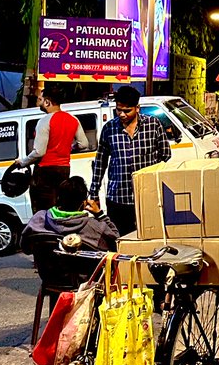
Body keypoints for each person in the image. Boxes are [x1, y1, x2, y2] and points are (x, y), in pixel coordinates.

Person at [88, 85, 171, 236]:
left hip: (148, 196)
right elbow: (100, 162)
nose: (122, 114)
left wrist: (150, 174)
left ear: (137, 108)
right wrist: (94, 193)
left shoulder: (153, 125)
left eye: (127, 111)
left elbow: (165, 154)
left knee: (149, 239)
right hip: (118, 198)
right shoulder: (109, 129)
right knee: (119, 240)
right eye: (118, 110)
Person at [18, 84, 89, 212]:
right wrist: (69, 148)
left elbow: (39, 152)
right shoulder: (73, 119)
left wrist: (23, 162)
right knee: (60, 206)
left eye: (40, 99)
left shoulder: (44, 121)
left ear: (47, 102)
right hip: (64, 169)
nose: (39, 102)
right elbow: (84, 144)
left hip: (45, 172)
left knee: (43, 211)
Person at [21, 175, 119, 253]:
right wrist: (100, 215)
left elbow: (26, 248)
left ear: (58, 199)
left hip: (48, 276)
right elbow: (117, 243)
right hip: (84, 277)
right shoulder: (94, 227)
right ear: (83, 203)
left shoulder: (38, 219)